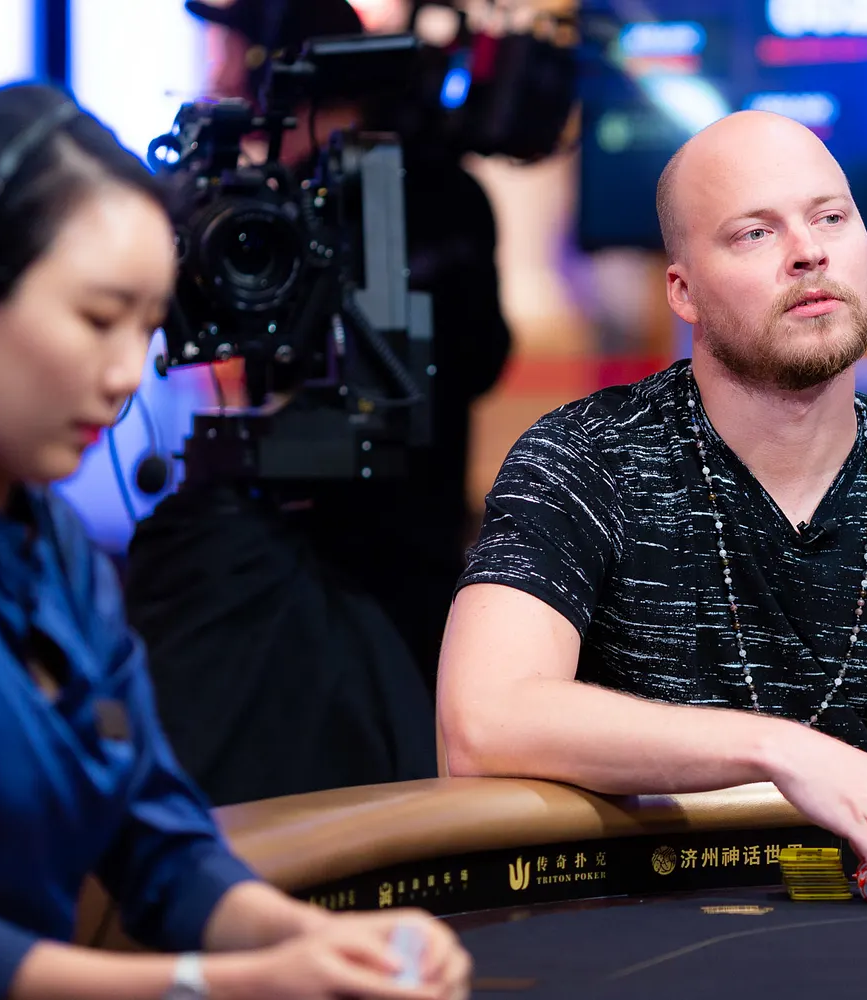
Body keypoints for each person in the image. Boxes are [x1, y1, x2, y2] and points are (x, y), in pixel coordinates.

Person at [437, 110, 867, 893]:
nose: (809, 252)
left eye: (830, 218)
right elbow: (483, 722)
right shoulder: (582, 462)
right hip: (636, 934)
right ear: (684, 291)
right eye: (755, 233)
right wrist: (779, 750)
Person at [0, 82, 470, 1000]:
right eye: (96, 319)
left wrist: (318, 939)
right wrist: (220, 984)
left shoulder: (55, 551)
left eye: (147, 328)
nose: (125, 374)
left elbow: (155, 838)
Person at [122, 0, 513, 805]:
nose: (217, 73)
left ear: (275, 67)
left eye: (228, 51)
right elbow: (486, 359)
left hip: (360, 558)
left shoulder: (298, 205)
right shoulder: (445, 194)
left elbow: (471, 358)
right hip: (385, 551)